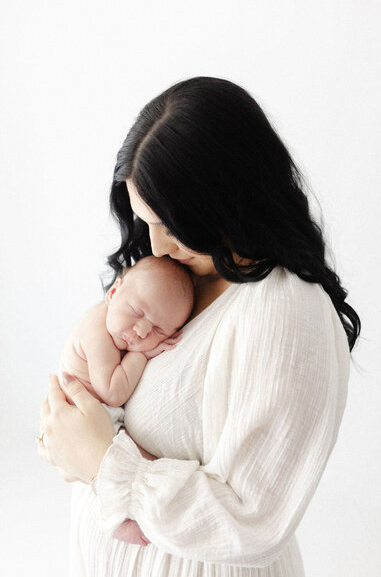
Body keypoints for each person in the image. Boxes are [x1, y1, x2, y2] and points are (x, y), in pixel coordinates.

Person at [37, 76, 361, 577]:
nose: (158, 245)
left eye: (173, 223)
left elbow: (252, 519)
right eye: (145, 222)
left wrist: (103, 461)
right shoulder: (176, 277)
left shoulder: (285, 308)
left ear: (229, 198)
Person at [58, 255, 194, 407]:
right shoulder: (97, 337)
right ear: (113, 292)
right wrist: (141, 355)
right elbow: (113, 394)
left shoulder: (112, 317)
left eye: (158, 330)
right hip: (78, 413)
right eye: (137, 312)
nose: (142, 332)